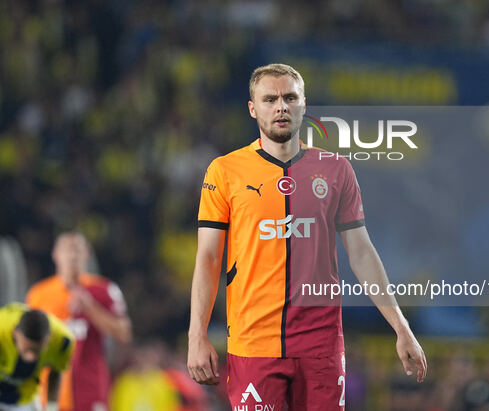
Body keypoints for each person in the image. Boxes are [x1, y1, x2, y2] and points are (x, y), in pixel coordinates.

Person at [187, 63, 427, 409]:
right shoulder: (225, 171)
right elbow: (209, 258)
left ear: (303, 104)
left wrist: (401, 328)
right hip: (253, 343)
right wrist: (197, 335)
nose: (281, 106)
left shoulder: (336, 169)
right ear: (253, 108)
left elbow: (361, 253)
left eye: (290, 97)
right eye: (270, 99)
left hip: (321, 345)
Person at [26, 232, 132, 411]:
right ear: (55, 254)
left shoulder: (103, 289)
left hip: (90, 385)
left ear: (86, 254)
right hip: (51, 388)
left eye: (77, 250)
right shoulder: (39, 294)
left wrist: (90, 308)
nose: (71, 256)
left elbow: (124, 333)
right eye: (67, 250)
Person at [0, 303, 75, 411]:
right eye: (27, 349)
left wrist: (52, 408)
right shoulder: (1, 329)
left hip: (25, 397)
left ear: (49, 338)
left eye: (37, 350)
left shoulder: (63, 342)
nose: (31, 357)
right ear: (15, 333)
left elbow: (55, 372)